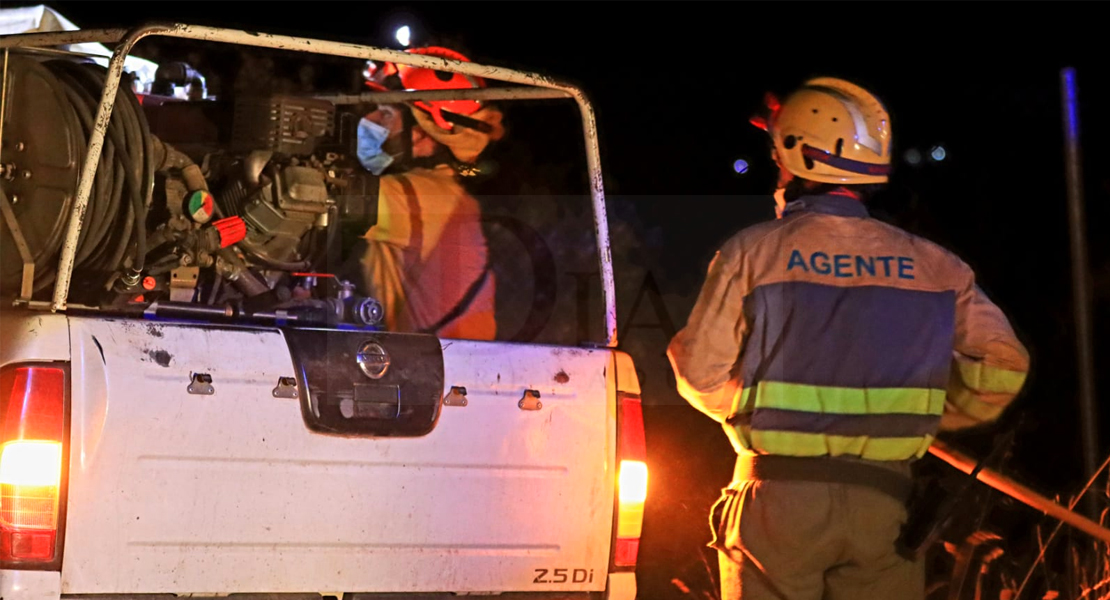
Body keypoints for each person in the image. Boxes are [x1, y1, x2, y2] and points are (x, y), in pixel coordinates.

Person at [666, 77, 1030, 599]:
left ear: (798, 160)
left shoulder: (752, 252)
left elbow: (700, 374)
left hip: (778, 506)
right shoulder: (934, 265)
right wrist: (921, 412)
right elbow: (1002, 365)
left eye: (779, 155)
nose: (776, 167)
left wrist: (748, 404)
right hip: (885, 505)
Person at [348, 46, 502, 340]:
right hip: (447, 369)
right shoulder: (443, 192)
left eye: (386, 113)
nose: (370, 120)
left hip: (444, 376)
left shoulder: (420, 197)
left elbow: (316, 200)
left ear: (420, 134)